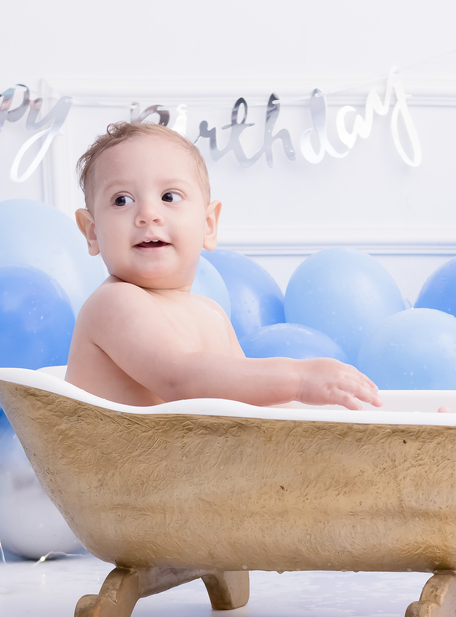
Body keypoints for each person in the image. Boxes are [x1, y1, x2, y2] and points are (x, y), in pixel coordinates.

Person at [65, 121, 381, 410]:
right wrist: (298, 379)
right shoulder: (115, 302)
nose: (148, 214)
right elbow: (180, 379)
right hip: (118, 470)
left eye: (169, 196)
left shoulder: (212, 313)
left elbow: (242, 406)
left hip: (192, 469)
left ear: (208, 225)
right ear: (92, 233)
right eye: (122, 199)